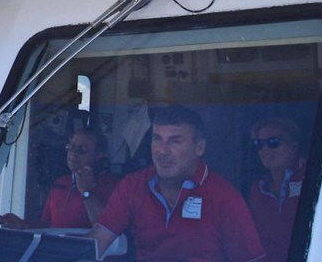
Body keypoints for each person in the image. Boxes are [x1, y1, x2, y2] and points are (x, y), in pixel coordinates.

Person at [89, 106, 265, 262]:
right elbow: (96, 242)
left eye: (175, 141)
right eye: (157, 139)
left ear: (199, 148)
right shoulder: (133, 185)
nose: (163, 151)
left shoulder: (225, 197)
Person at [0, 128, 118, 229]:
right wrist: (21, 224)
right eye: (72, 146)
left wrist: (87, 192)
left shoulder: (113, 187)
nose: (73, 153)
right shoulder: (60, 183)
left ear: (99, 155)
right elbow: (49, 226)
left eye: (82, 150)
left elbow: (108, 229)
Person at [249, 117, 306, 262]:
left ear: (293, 146)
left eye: (273, 143)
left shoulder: (312, 178)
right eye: (259, 144)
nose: (265, 149)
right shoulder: (257, 189)